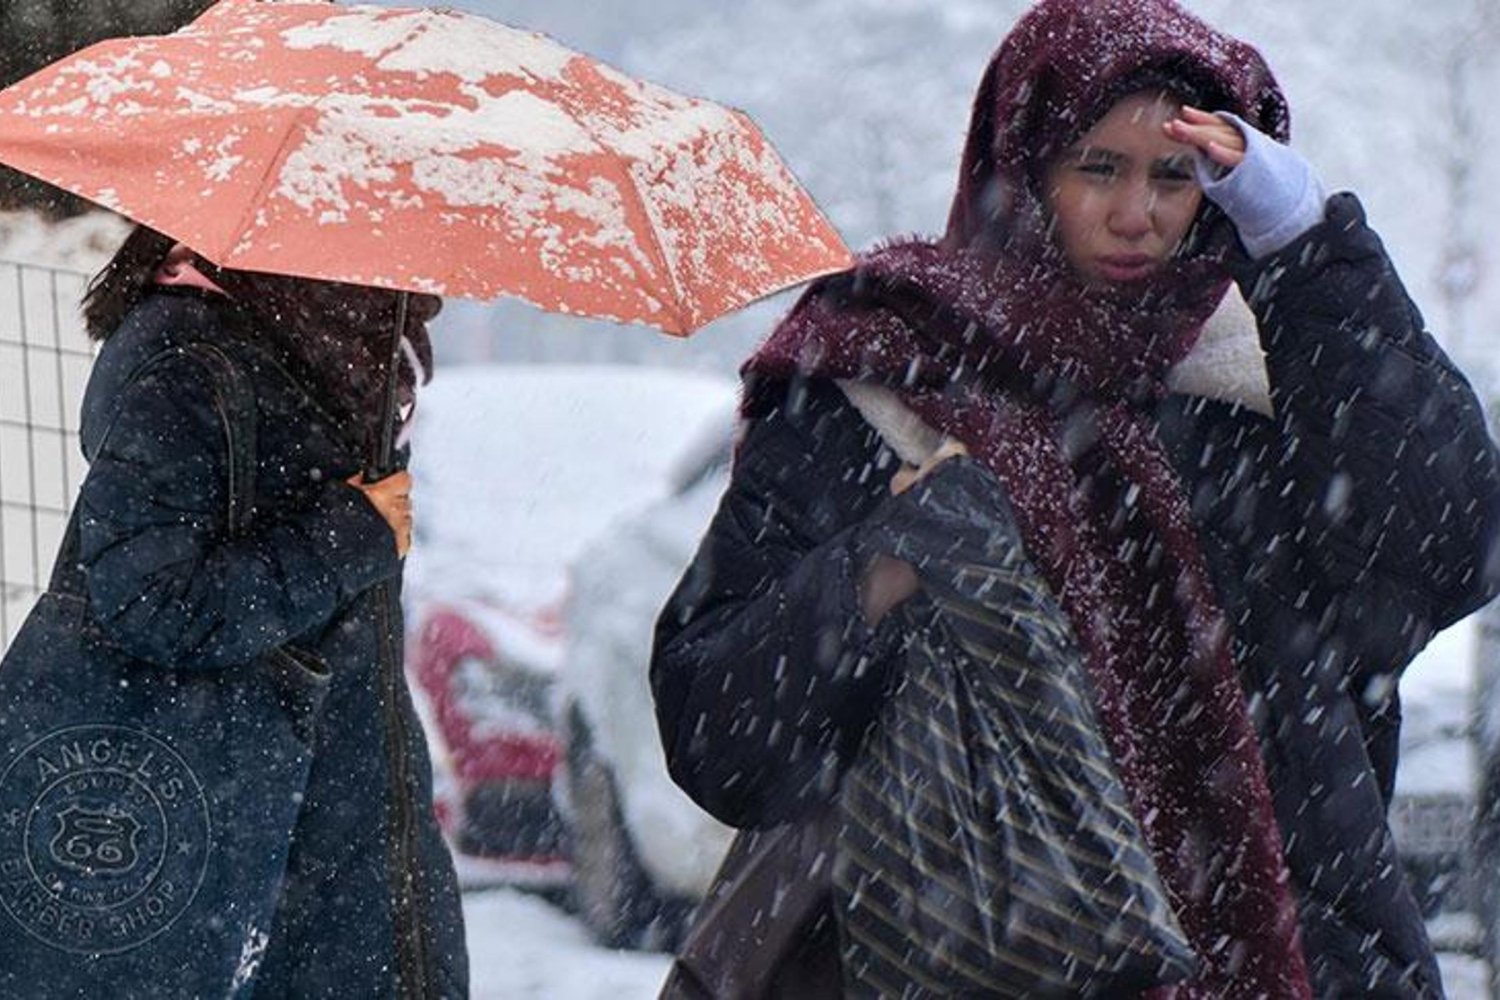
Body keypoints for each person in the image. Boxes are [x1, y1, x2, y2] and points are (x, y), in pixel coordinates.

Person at [650, 0, 1500, 996]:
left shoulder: (1269, 382)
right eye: (1099, 167)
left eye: (1175, 175)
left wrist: (1308, 242)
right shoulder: (883, 379)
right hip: (969, 952)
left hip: (1287, 962)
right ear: (1022, 168)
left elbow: (1448, 547)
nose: (1137, 213)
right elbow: (720, 734)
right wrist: (883, 568)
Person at [42, 225, 466, 997]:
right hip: (248, 833)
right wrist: (350, 535)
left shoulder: (318, 345)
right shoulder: (191, 355)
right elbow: (153, 600)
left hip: (326, 815)